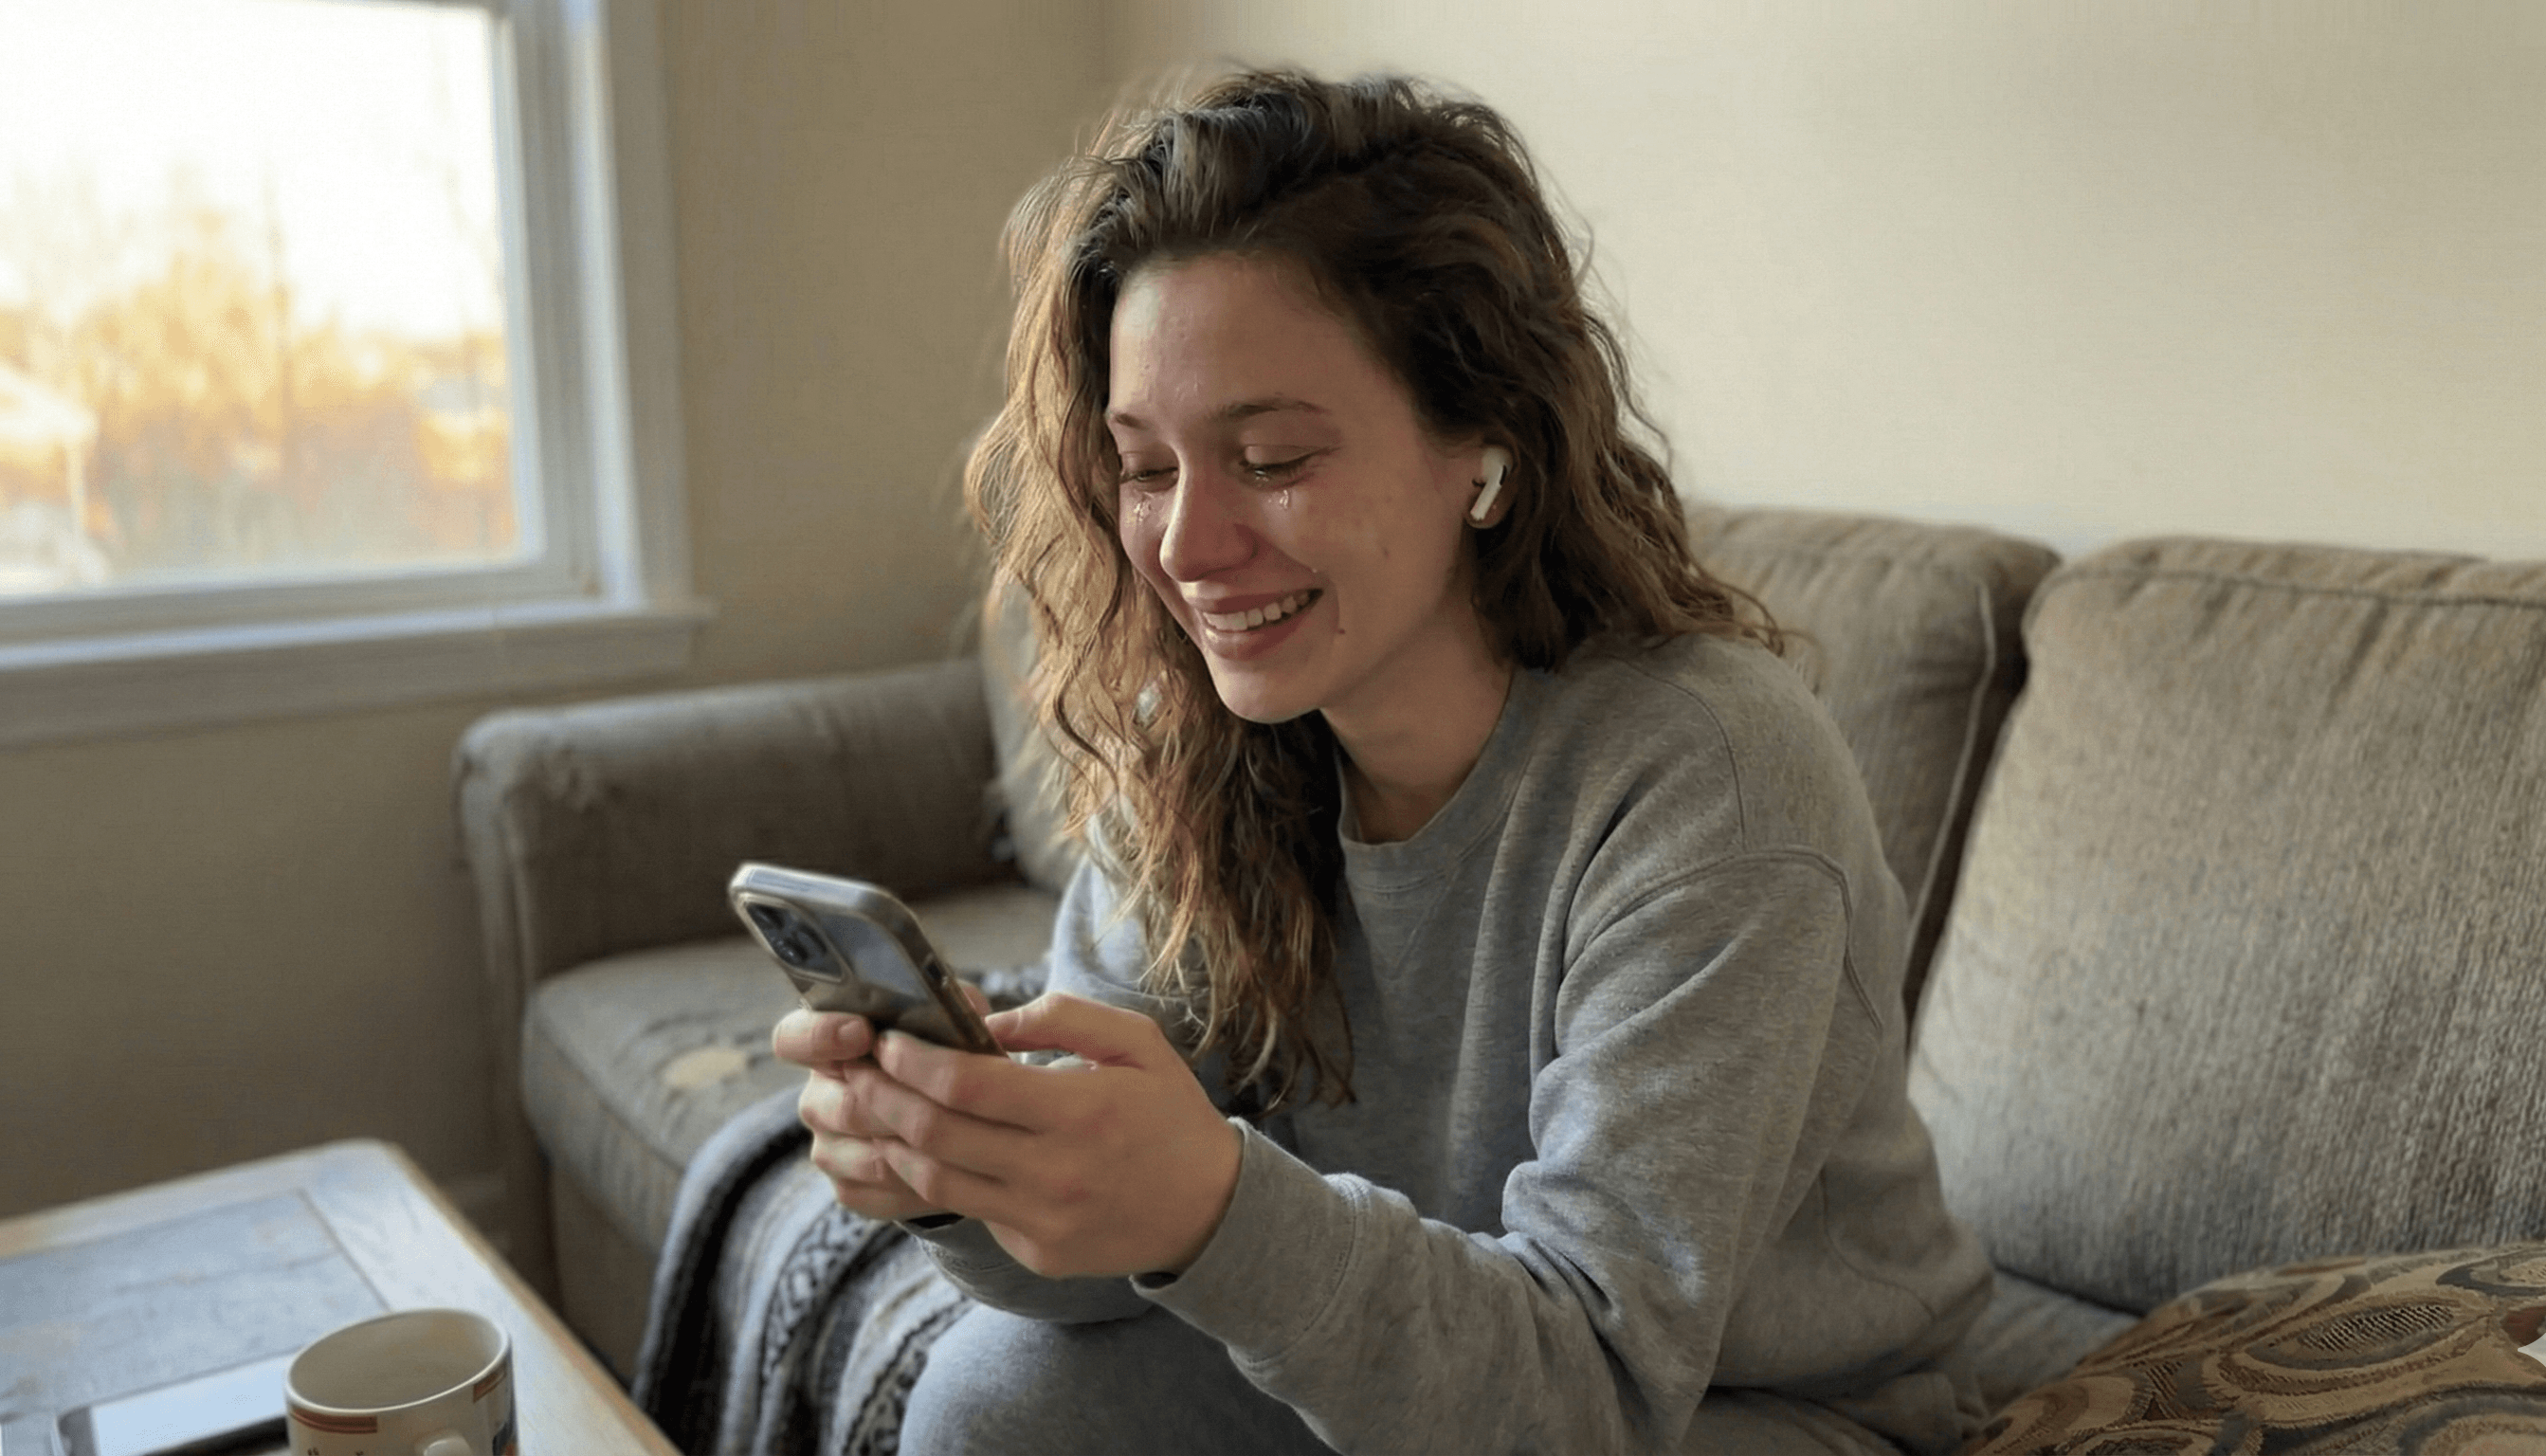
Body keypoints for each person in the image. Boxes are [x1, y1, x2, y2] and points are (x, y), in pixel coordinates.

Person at [772, 70, 1991, 1455]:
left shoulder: (1706, 779)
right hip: (1405, 1350)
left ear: (1485, 447)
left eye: (1273, 456)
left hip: (1740, 1404)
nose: (1185, 547)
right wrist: (966, 1170)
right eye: (1149, 468)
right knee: (994, 1400)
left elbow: (1586, 1387)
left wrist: (1215, 1206)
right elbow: (1097, 1282)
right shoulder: (1202, 751)